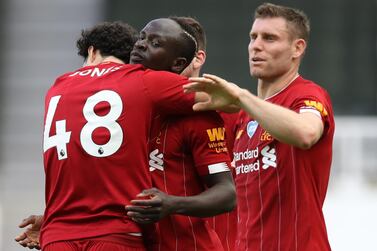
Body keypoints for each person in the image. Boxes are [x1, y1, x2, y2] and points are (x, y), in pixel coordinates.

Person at [16, 20, 201, 251]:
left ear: (91, 52)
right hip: (116, 232)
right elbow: (211, 96)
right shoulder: (139, 80)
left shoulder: (57, 87)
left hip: (57, 234)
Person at [184, 3, 335, 251]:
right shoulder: (244, 115)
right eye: (253, 37)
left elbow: (306, 133)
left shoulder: (307, 95)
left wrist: (242, 97)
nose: (256, 45)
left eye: (270, 38)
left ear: (297, 48)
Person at [124, 17, 236, 251]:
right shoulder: (118, 109)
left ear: (178, 63)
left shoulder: (199, 114)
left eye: (156, 43)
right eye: (142, 37)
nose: (141, 45)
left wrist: (172, 204)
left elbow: (227, 194)